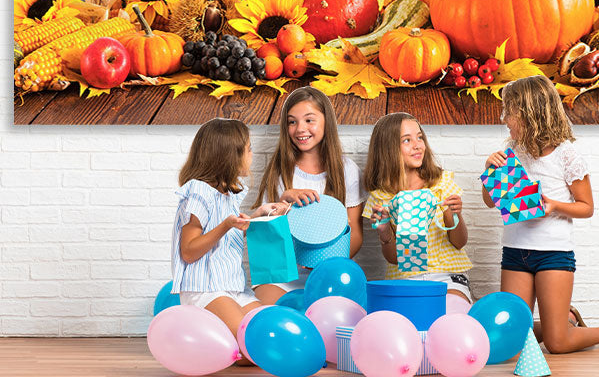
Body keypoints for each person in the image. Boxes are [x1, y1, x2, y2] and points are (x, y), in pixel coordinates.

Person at [483, 75, 599, 353]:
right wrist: (490, 169)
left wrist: (553, 205)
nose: (504, 118)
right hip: (515, 252)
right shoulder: (512, 150)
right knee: (512, 336)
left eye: (509, 112)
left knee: (556, 343)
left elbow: (586, 207)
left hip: (553, 254)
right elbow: (491, 202)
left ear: (529, 114)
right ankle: (566, 321)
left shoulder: (566, 155)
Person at [172, 117, 289, 359]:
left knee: (272, 336)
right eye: (249, 149)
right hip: (206, 289)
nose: (251, 155)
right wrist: (226, 225)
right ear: (230, 155)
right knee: (253, 349)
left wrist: (258, 216)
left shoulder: (227, 194)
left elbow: (228, 234)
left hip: (233, 288)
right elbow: (189, 251)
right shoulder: (199, 193)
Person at [253, 86, 366, 304]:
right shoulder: (280, 171)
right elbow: (266, 239)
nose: (299, 129)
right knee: (269, 312)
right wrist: (282, 205)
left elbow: (356, 235)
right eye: (292, 121)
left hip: (330, 273)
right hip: (283, 274)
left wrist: (324, 263)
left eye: (309, 120)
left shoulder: (347, 170)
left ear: (326, 122)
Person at [363, 112, 472, 302]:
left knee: (450, 313)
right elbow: (393, 259)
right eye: (407, 140)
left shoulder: (441, 182)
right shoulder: (381, 197)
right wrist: (384, 233)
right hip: (405, 279)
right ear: (388, 149)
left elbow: (459, 242)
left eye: (419, 137)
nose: (417, 145)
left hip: (448, 277)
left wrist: (455, 214)